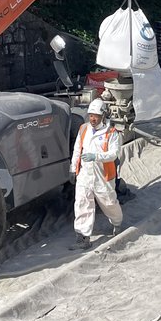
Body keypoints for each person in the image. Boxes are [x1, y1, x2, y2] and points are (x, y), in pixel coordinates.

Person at [69, 99, 123, 250]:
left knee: (109, 202)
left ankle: (117, 223)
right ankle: (82, 238)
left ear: (103, 116)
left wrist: (96, 156)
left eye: (96, 116)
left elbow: (114, 153)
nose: (93, 119)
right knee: (82, 203)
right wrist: (73, 169)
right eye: (91, 115)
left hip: (102, 175)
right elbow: (77, 150)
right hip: (85, 174)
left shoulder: (111, 133)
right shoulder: (83, 129)